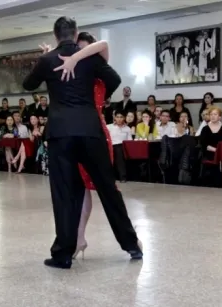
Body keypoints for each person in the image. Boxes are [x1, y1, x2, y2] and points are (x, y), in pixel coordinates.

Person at [23, 17, 142, 269]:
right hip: (90, 130)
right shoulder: (88, 57)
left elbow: (28, 84)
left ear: (55, 36)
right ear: (75, 34)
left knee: (65, 194)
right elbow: (115, 79)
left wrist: (46, 60)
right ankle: (131, 245)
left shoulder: (48, 60)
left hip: (60, 134)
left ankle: (63, 255)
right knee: (108, 189)